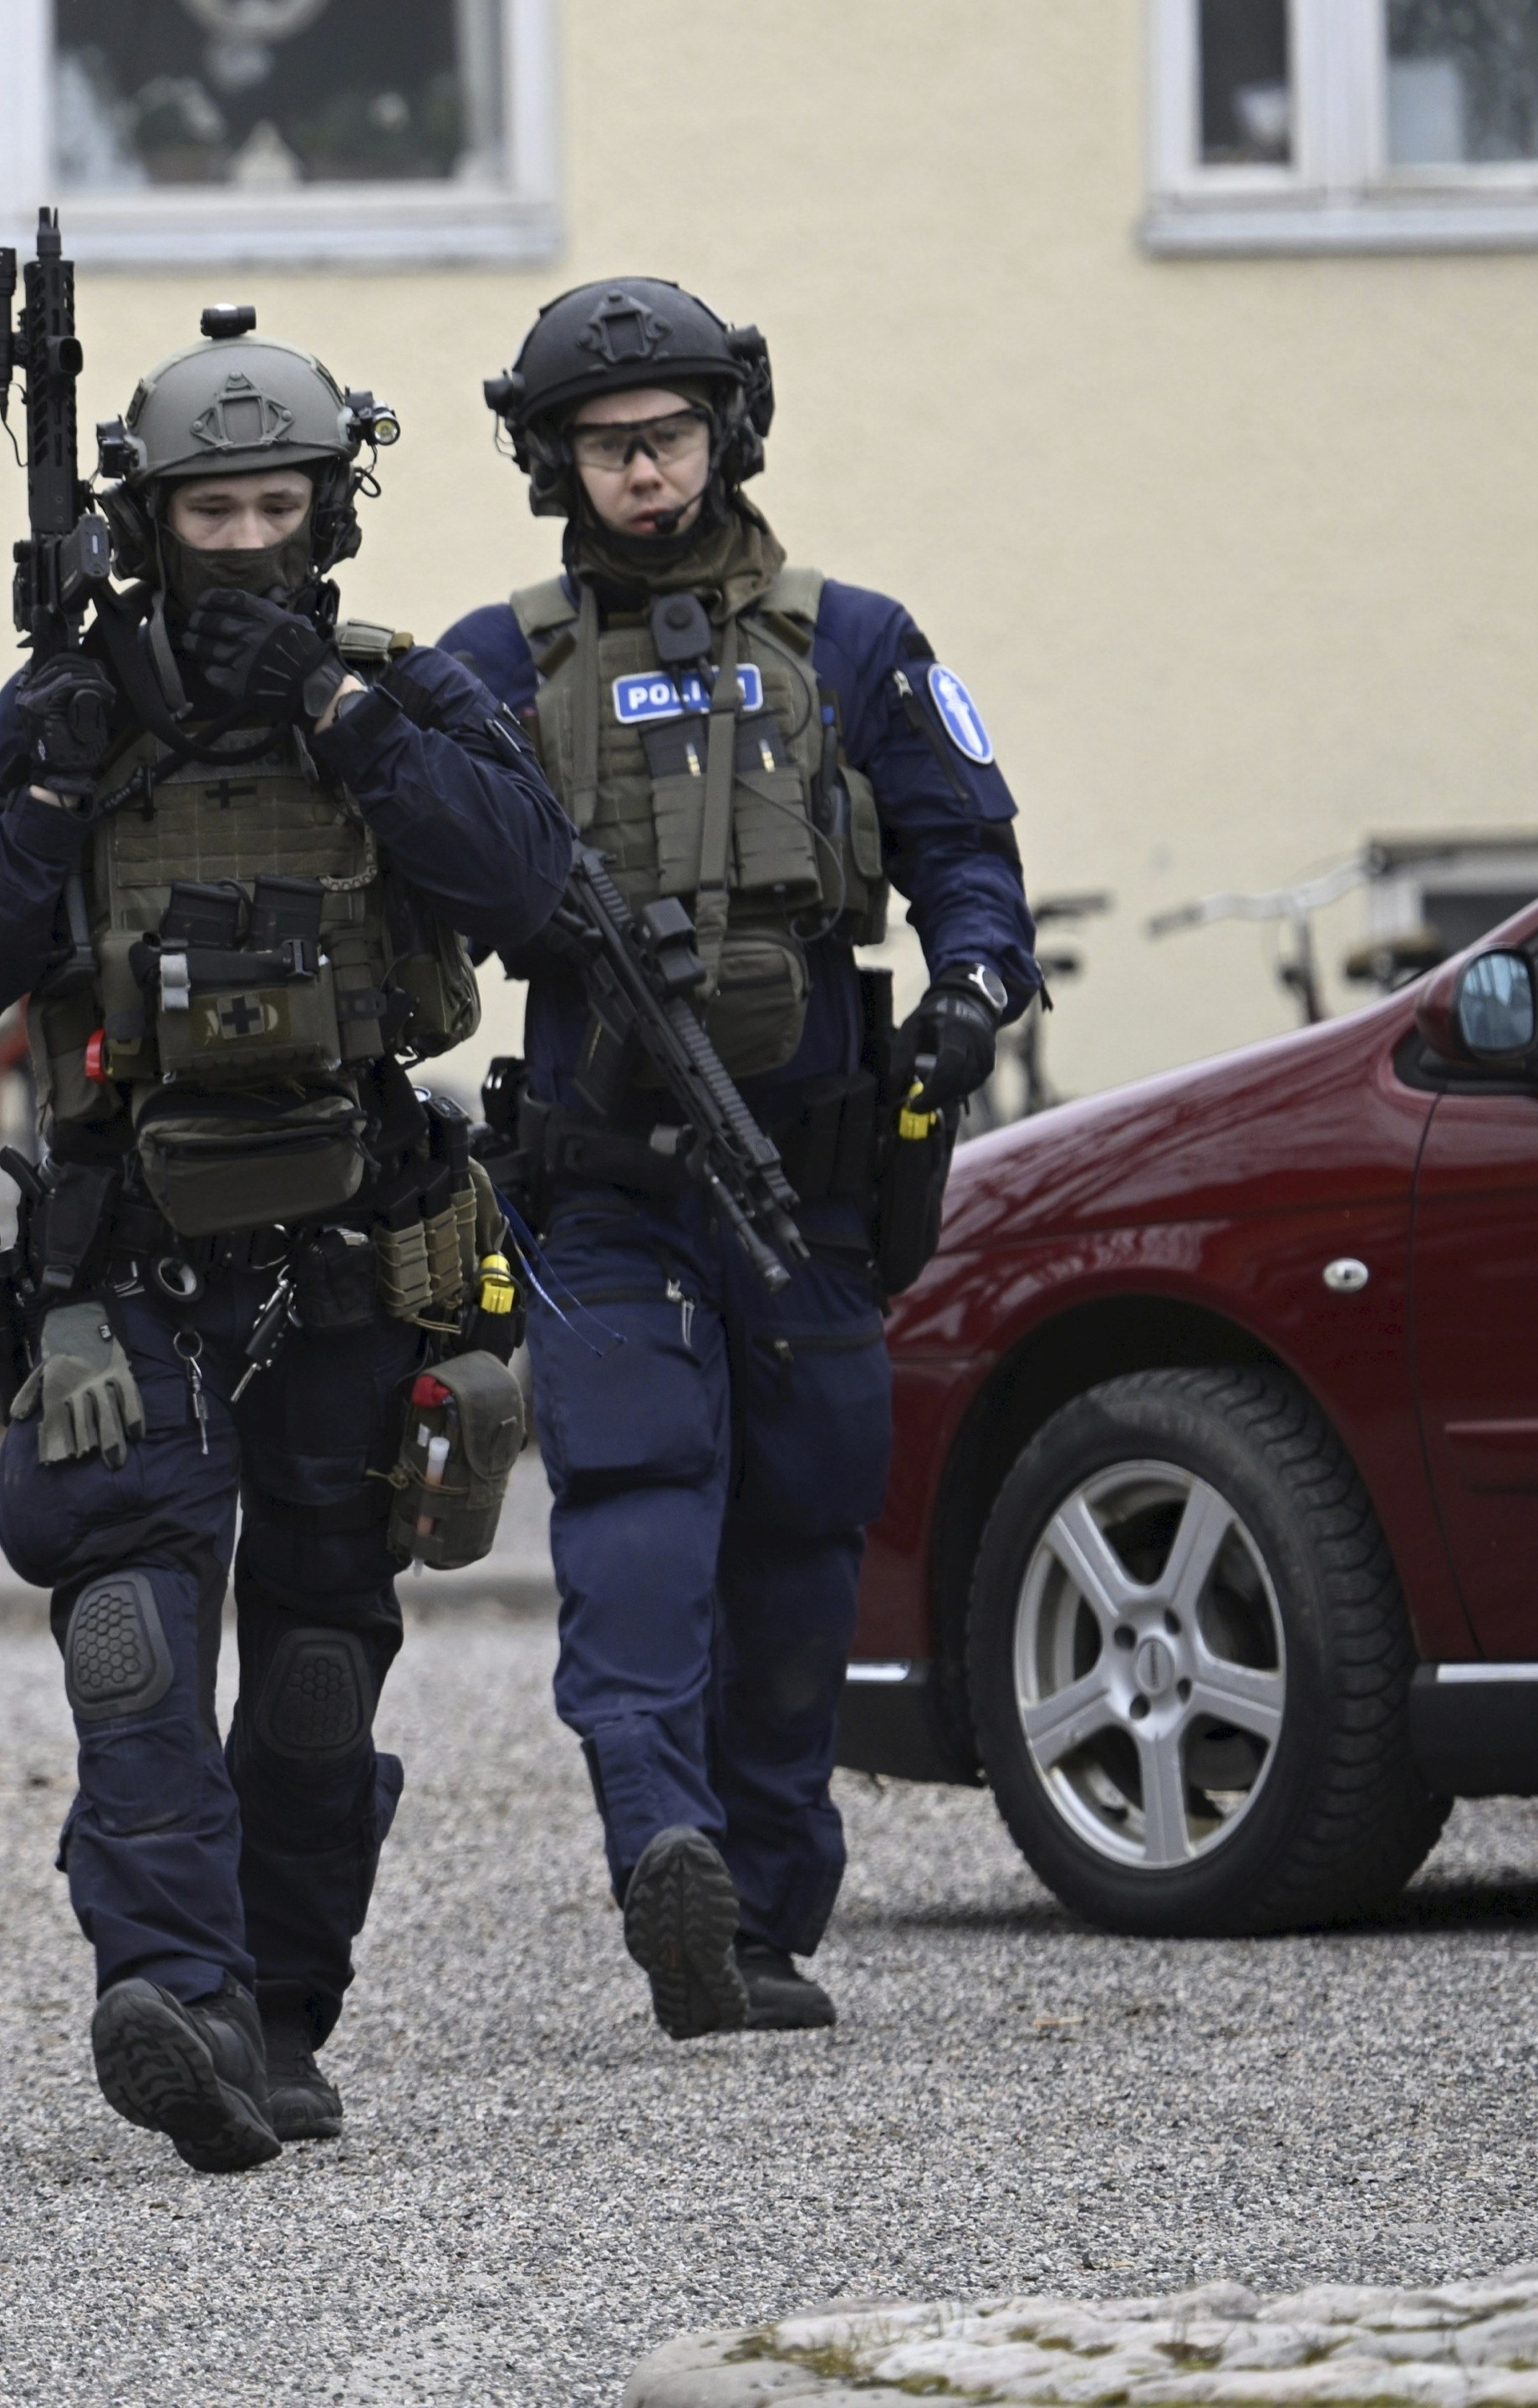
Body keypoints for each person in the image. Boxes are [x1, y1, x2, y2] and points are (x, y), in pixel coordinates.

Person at [0, 312, 567, 2170]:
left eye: (279, 506)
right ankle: (170, 1993)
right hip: (131, 1266)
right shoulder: (67, 712)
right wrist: (53, 785)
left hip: (356, 1255)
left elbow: (531, 888)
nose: (248, 544)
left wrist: (344, 722)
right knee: (130, 1639)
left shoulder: (403, 691)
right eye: (213, 512)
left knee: (314, 1673)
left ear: (330, 510)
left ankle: (281, 2008)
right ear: (150, 520)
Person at [439, 277, 1037, 2039]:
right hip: (606, 1183)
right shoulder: (496, 666)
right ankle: (665, 1844)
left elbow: (967, 853)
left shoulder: (855, 645)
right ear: (556, 463)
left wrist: (973, 990)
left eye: (671, 437)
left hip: (813, 1183)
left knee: (800, 1547)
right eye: (608, 446)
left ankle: (762, 1923)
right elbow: (411, 888)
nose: (645, 472)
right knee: (635, 1511)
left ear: (728, 435)